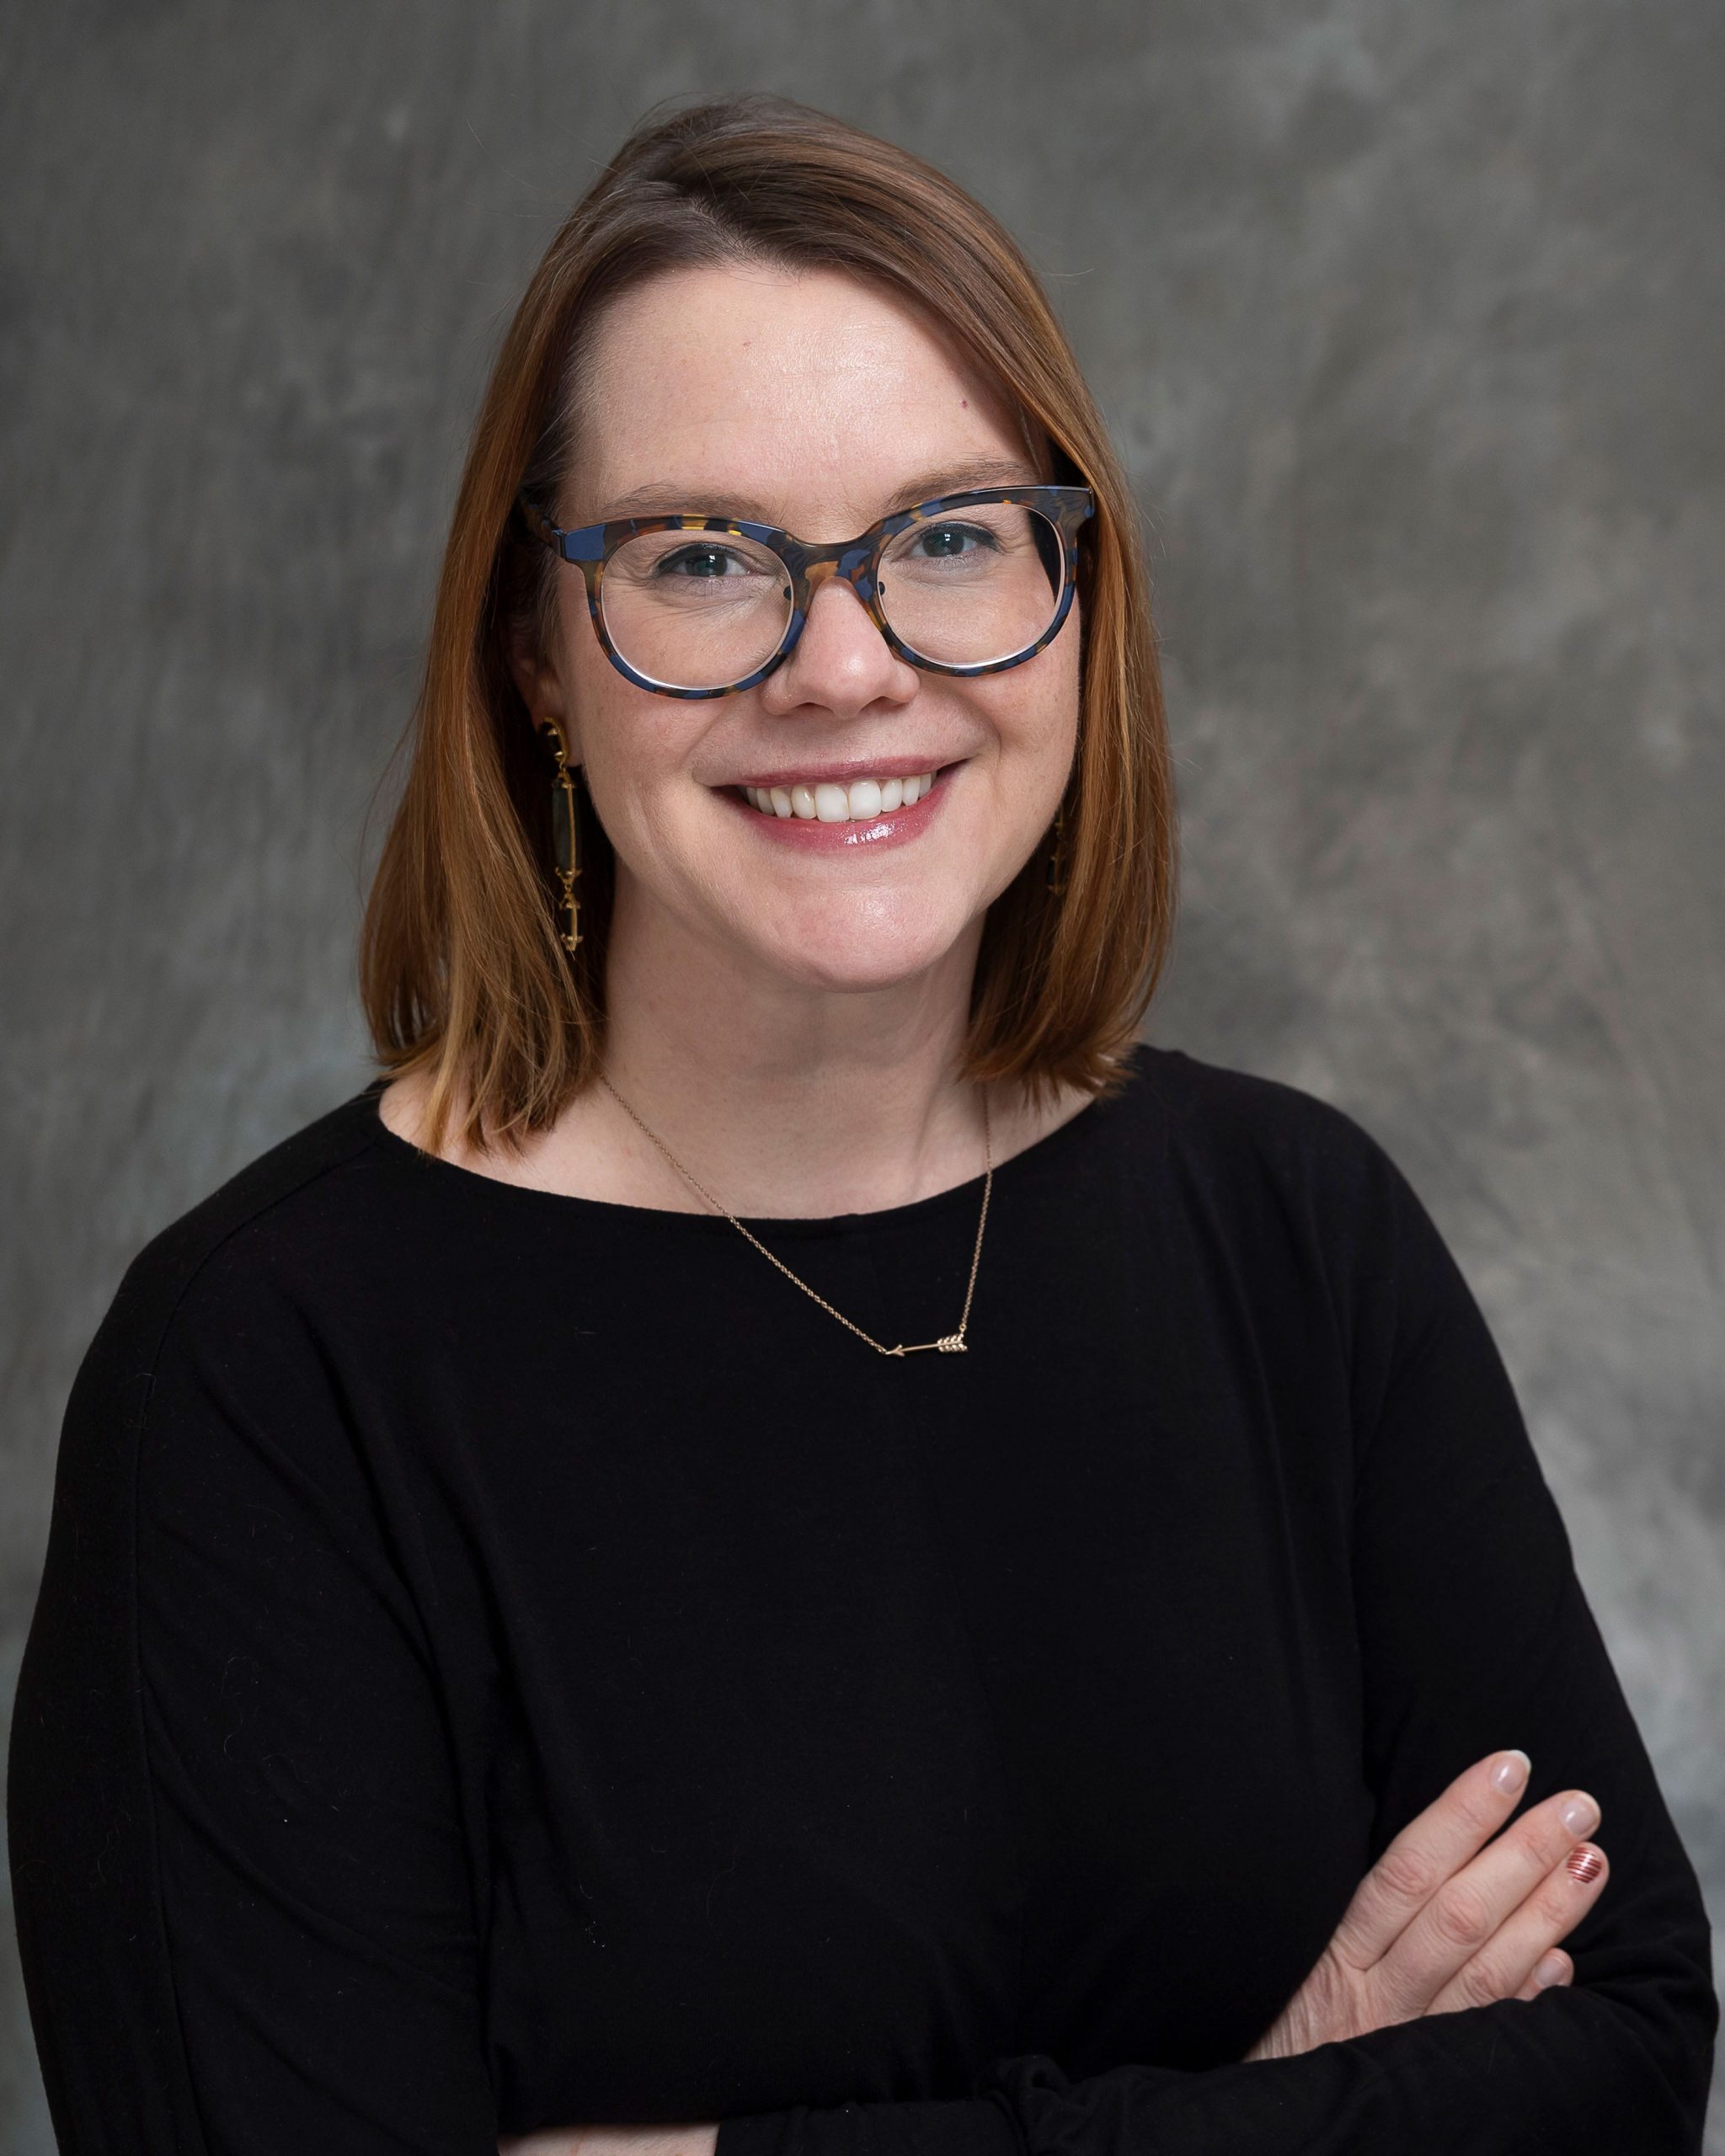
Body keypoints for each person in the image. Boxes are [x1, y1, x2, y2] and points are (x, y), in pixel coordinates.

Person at [8, 90, 1716, 2156]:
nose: (844, 667)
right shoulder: (262, 1379)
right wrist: (1311, 2090)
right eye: (704, 557)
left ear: (1072, 592)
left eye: (950, 536)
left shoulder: (1294, 1235)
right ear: (535, 650)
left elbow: (1623, 2053)